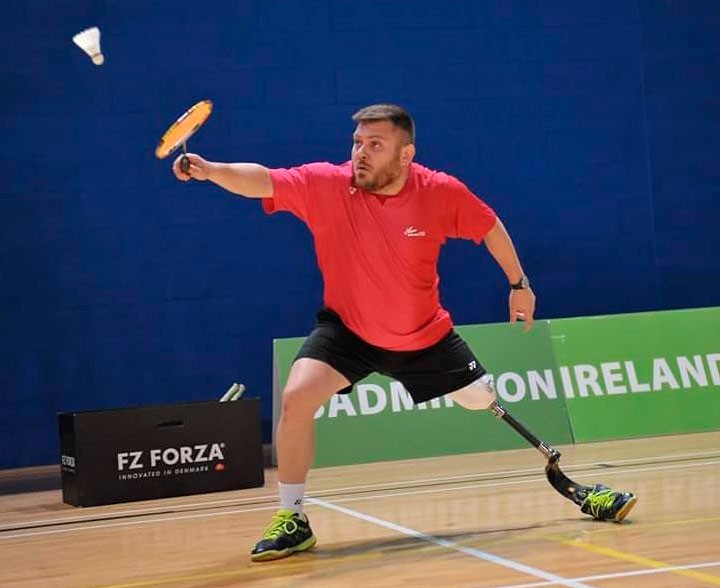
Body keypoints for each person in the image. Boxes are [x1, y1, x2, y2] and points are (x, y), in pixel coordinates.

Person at [171, 104, 604, 562]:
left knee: (480, 398)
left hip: (424, 338)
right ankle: (292, 517)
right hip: (349, 332)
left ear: (406, 155)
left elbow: (489, 226)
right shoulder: (327, 184)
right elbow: (266, 179)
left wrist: (520, 285)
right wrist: (210, 169)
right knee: (297, 398)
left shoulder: (439, 192)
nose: (361, 153)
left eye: (375, 145)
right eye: (358, 143)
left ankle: (565, 473)